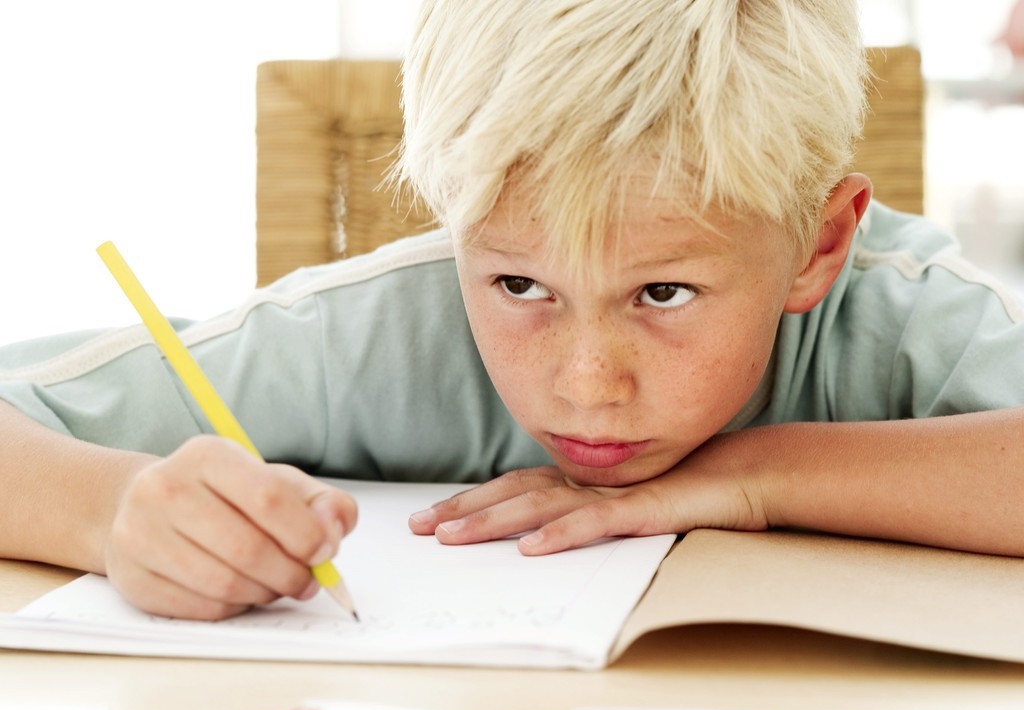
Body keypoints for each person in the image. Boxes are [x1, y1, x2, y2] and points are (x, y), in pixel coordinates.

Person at [1, 0, 1022, 622]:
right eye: (518, 286)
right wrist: (112, 513)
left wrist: (749, 476)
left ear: (819, 244)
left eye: (663, 292)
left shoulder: (901, 319)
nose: (584, 382)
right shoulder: (383, 333)